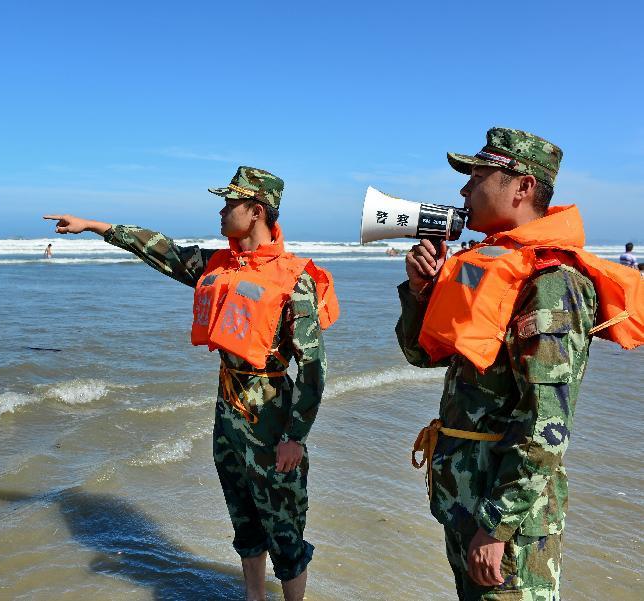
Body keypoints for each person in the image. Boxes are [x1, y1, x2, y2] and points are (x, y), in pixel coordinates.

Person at [44, 166, 339, 601]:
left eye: (230, 203)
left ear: (256, 211)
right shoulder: (217, 264)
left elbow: (313, 367)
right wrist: (94, 226)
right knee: (244, 520)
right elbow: (159, 249)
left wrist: (295, 437)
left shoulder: (294, 279)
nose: (221, 211)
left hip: (272, 418)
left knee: (285, 527)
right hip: (228, 413)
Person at [397, 127, 642, 601]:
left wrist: (496, 525)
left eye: (478, 175)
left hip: (507, 515)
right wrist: (420, 293)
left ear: (523, 186)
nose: (464, 190)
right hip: (467, 498)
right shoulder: (485, 265)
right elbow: (422, 355)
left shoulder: (553, 283)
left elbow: (547, 421)